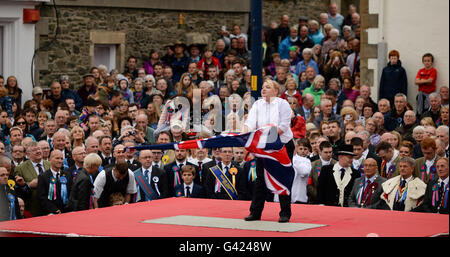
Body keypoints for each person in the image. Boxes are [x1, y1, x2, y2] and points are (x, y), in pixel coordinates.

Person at [242, 79, 294, 223]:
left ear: (276, 91)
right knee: (260, 179)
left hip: (282, 145)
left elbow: (283, 126)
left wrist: (263, 137)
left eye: (268, 87)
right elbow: (250, 123)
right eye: (263, 87)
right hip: (264, 146)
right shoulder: (258, 104)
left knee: (283, 178)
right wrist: (244, 133)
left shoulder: (283, 104)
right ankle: (255, 212)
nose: (263, 89)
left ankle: (285, 213)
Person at [14, 141, 51, 217]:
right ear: (27, 154)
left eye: (39, 149)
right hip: (33, 208)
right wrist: (28, 185)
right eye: (34, 150)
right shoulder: (20, 168)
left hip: (50, 206)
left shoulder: (49, 164)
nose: (38, 151)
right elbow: (19, 191)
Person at [37, 150, 72, 215]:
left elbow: (71, 193)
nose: (60, 161)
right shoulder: (43, 176)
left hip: (67, 211)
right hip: (51, 213)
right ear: (50, 159)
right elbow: (42, 197)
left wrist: (68, 207)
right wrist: (54, 209)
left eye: (61, 159)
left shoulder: (67, 175)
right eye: (57, 158)